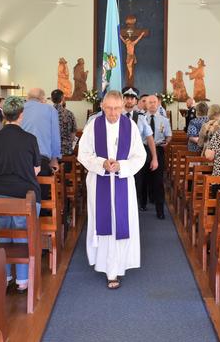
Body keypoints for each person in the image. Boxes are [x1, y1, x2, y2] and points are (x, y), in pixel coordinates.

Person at [77, 90, 146, 289]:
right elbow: (83, 153)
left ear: (123, 107)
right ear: (102, 107)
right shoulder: (93, 127)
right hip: (100, 182)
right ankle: (107, 267)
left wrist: (121, 166)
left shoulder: (130, 126)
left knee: (121, 223)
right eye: (109, 108)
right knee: (104, 223)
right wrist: (102, 163)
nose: (113, 113)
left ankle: (118, 266)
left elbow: (139, 156)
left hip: (123, 182)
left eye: (117, 108)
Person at [0, 96, 42, 292]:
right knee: (22, 236)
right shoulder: (30, 139)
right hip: (24, 194)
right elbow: (36, 169)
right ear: (21, 115)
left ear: (3, 113)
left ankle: (5, 277)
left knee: (1, 237)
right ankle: (22, 281)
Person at [123, 87, 158, 210]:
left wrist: (154, 158)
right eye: (127, 98)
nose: (129, 101)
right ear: (122, 100)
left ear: (136, 101)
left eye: (132, 98)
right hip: (120, 157)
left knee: (137, 183)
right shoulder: (116, 116)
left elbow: (149, 138)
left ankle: (133, 208)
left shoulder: (141, 118)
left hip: (135, 157)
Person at [21, 87, 61, 176]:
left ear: (28, 98)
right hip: (41, 156)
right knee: (42, 187)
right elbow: (55, 136)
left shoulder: (20, 109)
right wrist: (54, 159)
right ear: (43, 98)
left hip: (20, 156)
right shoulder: (50, 110)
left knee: (22, 188)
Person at [143, 95, 172, 218]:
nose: (152, 104)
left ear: (158, 103)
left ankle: (160, 211)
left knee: (158, 181)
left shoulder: (164, 120)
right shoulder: (141, 119)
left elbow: (169, 135)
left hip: (158, 149)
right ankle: (142, 204)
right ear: (146, 104)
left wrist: (167, 141)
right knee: (143, 179)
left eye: (154, 102)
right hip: (144, 150)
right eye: (150, 102)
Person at [51, 89, 78, 156]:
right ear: (63, 98)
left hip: (50, 151)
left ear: (51, 99)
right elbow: (73, 133)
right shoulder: (69, 114)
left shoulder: (46, 114)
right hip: (66, 150)